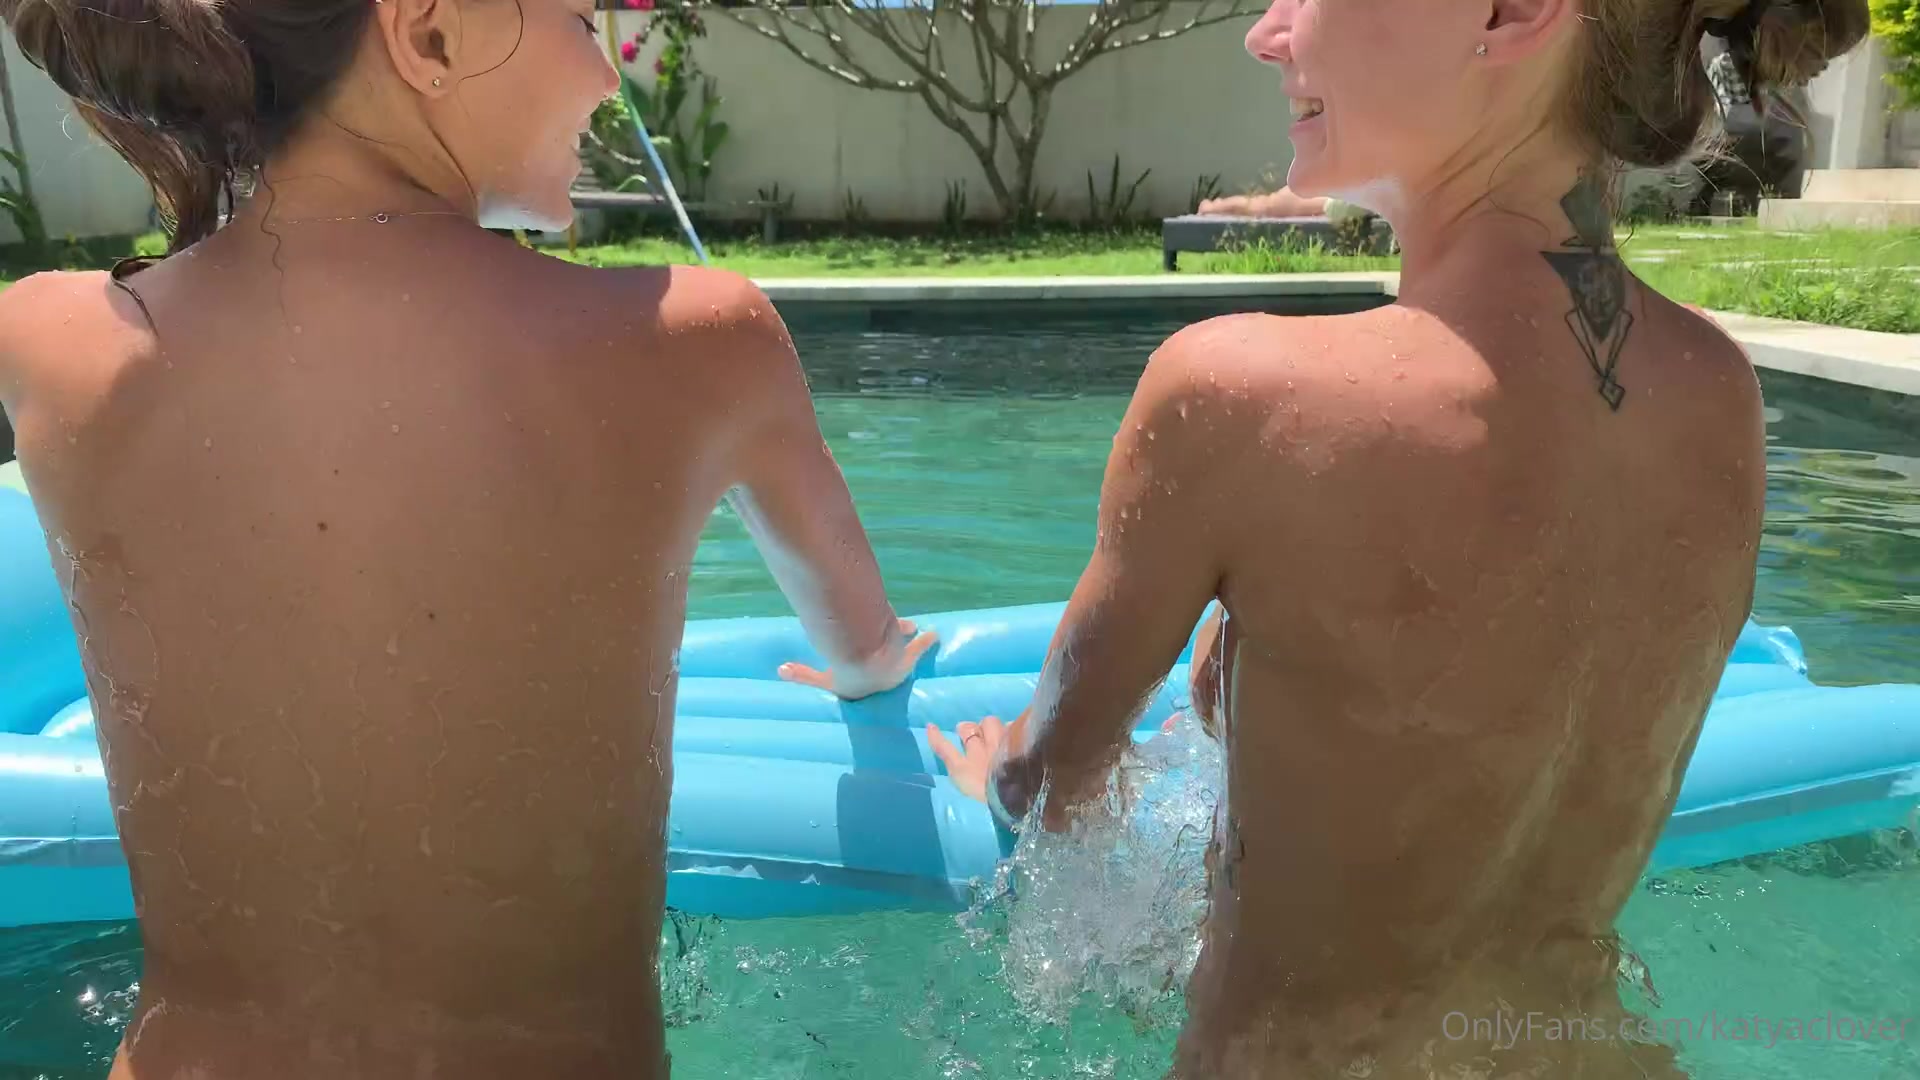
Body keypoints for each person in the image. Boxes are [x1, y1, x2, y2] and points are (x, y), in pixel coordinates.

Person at [918, 0, 1869, 1076]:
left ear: (1510, 12)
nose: (1268, 33)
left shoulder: (1242, 398)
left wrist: (1001, 768)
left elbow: (1050, 783)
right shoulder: (1717, 396)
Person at [0, 0, 932, 1077]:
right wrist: (882, 676)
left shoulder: (50, 342)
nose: (609, 78)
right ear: (429, 35)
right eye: (581, 21)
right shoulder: (698, 342)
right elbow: (866, 646)